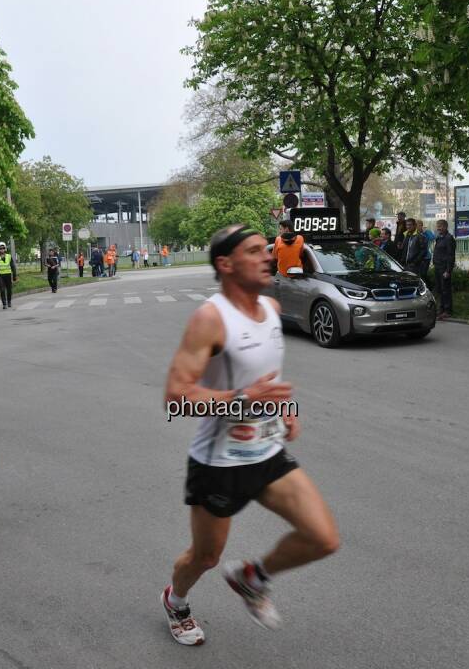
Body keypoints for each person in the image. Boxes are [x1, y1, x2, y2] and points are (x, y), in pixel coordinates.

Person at [160, 224, 339, 646]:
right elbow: (176, 398)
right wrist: (243, 397)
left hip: (267, 451)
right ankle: (176, 600)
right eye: (255, 251)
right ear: (226, 264)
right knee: (205, 556)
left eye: (266, 249)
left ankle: (251, 578)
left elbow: (267, 379)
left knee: (323, 537)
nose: (268, 256)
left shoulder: (272, 311)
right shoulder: (210, 318)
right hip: (218, 463)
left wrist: (286, 409)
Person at [432, 220, 456, 319]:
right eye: (437, 226)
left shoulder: (449, 238)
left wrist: (448, 270)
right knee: (440, 290)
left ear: (445, 227)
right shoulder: (438, 238)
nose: (438, 228)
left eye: (440, 226)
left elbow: (451, 256)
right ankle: (441, 310)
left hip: (444, 268)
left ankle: (447, 310)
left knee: (446, 290)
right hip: (437, 267)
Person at [0, 242, 17, 309]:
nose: (2, 250)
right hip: (0, 276)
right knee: (2, 290)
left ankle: (9, 302)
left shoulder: (9, 256)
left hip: (8, 275)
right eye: (0, 249)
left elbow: (13, 266)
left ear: (5, 249)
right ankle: (4, 304)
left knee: (9, 290)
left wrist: (14, 275)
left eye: (3, 248)